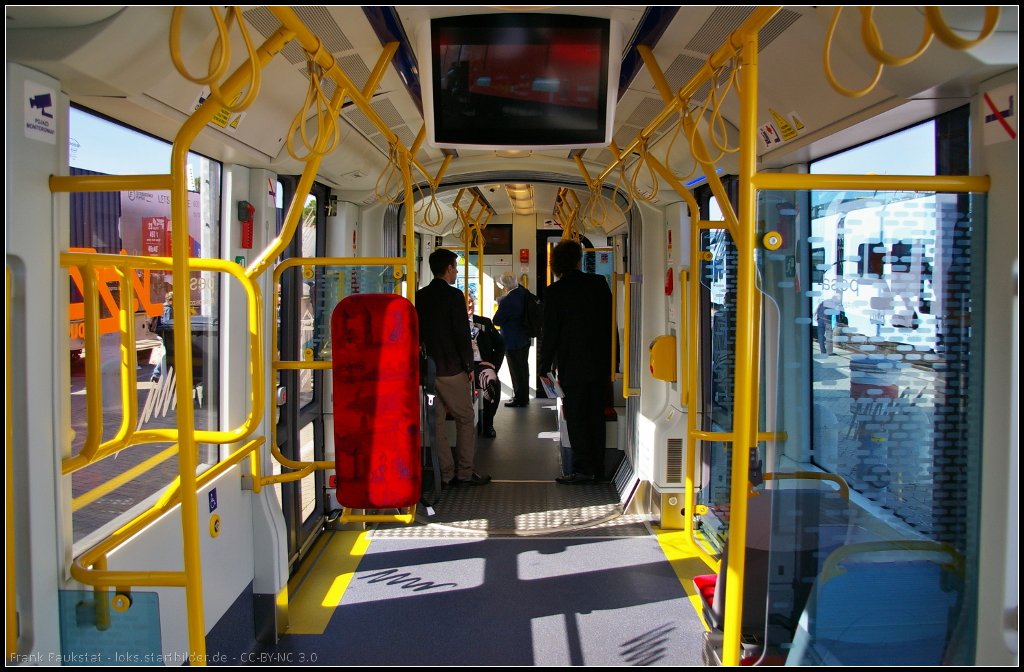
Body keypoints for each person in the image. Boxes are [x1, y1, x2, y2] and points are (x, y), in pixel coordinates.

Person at [538, 240, 612, 484]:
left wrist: (543, 366)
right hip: (600, 363)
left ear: (556, 265)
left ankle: (583, 469)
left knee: (577, 417)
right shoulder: (598, 284)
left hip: (573, 365)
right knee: (596, 415)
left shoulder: (555, 292)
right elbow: (610, 325)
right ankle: (598, 469)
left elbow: (551, 333)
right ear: (578, 260)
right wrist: (615, 361)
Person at [416, 249, 491, 487]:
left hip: (426, 371)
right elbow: (461, 334)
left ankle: (445, 473)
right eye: (456, 267)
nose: (457, 271)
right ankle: (465, 472)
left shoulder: (418, 296)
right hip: (450, 369)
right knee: (466, 418)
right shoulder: (453, 296)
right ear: (448, 268)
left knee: (436, 424)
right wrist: (469, 365)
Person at [467, 296, 505, 438]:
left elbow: (500, 344)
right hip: (460, 366)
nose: (470, 306)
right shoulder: (451, 323)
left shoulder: (484, 323)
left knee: (492, 380)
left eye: (471, 302)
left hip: (481, 365)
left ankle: (488, 424)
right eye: (466, 303)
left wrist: (494, 364)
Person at [493, 271, 531, 407]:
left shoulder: (507, 300)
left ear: (504, 286)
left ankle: (519, 399)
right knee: (524, 369)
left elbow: (496, 320)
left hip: (511, 340)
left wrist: (499, 303)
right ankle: (524, 396)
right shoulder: (523, 293)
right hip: (524, 337)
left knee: (516, 371)